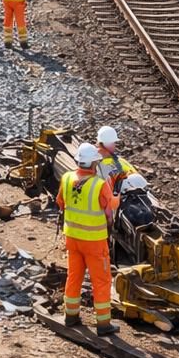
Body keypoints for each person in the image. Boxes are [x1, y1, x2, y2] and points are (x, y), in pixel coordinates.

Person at [58, 143, 118, 334]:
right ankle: (103, 323)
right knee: (101, 280)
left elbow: (61, 202)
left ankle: (71, 315)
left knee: (74, 276)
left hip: (73, 239)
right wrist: (119, 198)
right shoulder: (99, 185)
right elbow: (110, 208)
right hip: (94, 241)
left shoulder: (67, 178)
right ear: (93, 164)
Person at [95, 125, 137, 195]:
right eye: (113, 143)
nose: (115, 145)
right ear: (108, 143)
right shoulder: (101, 165)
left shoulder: (92, 158)